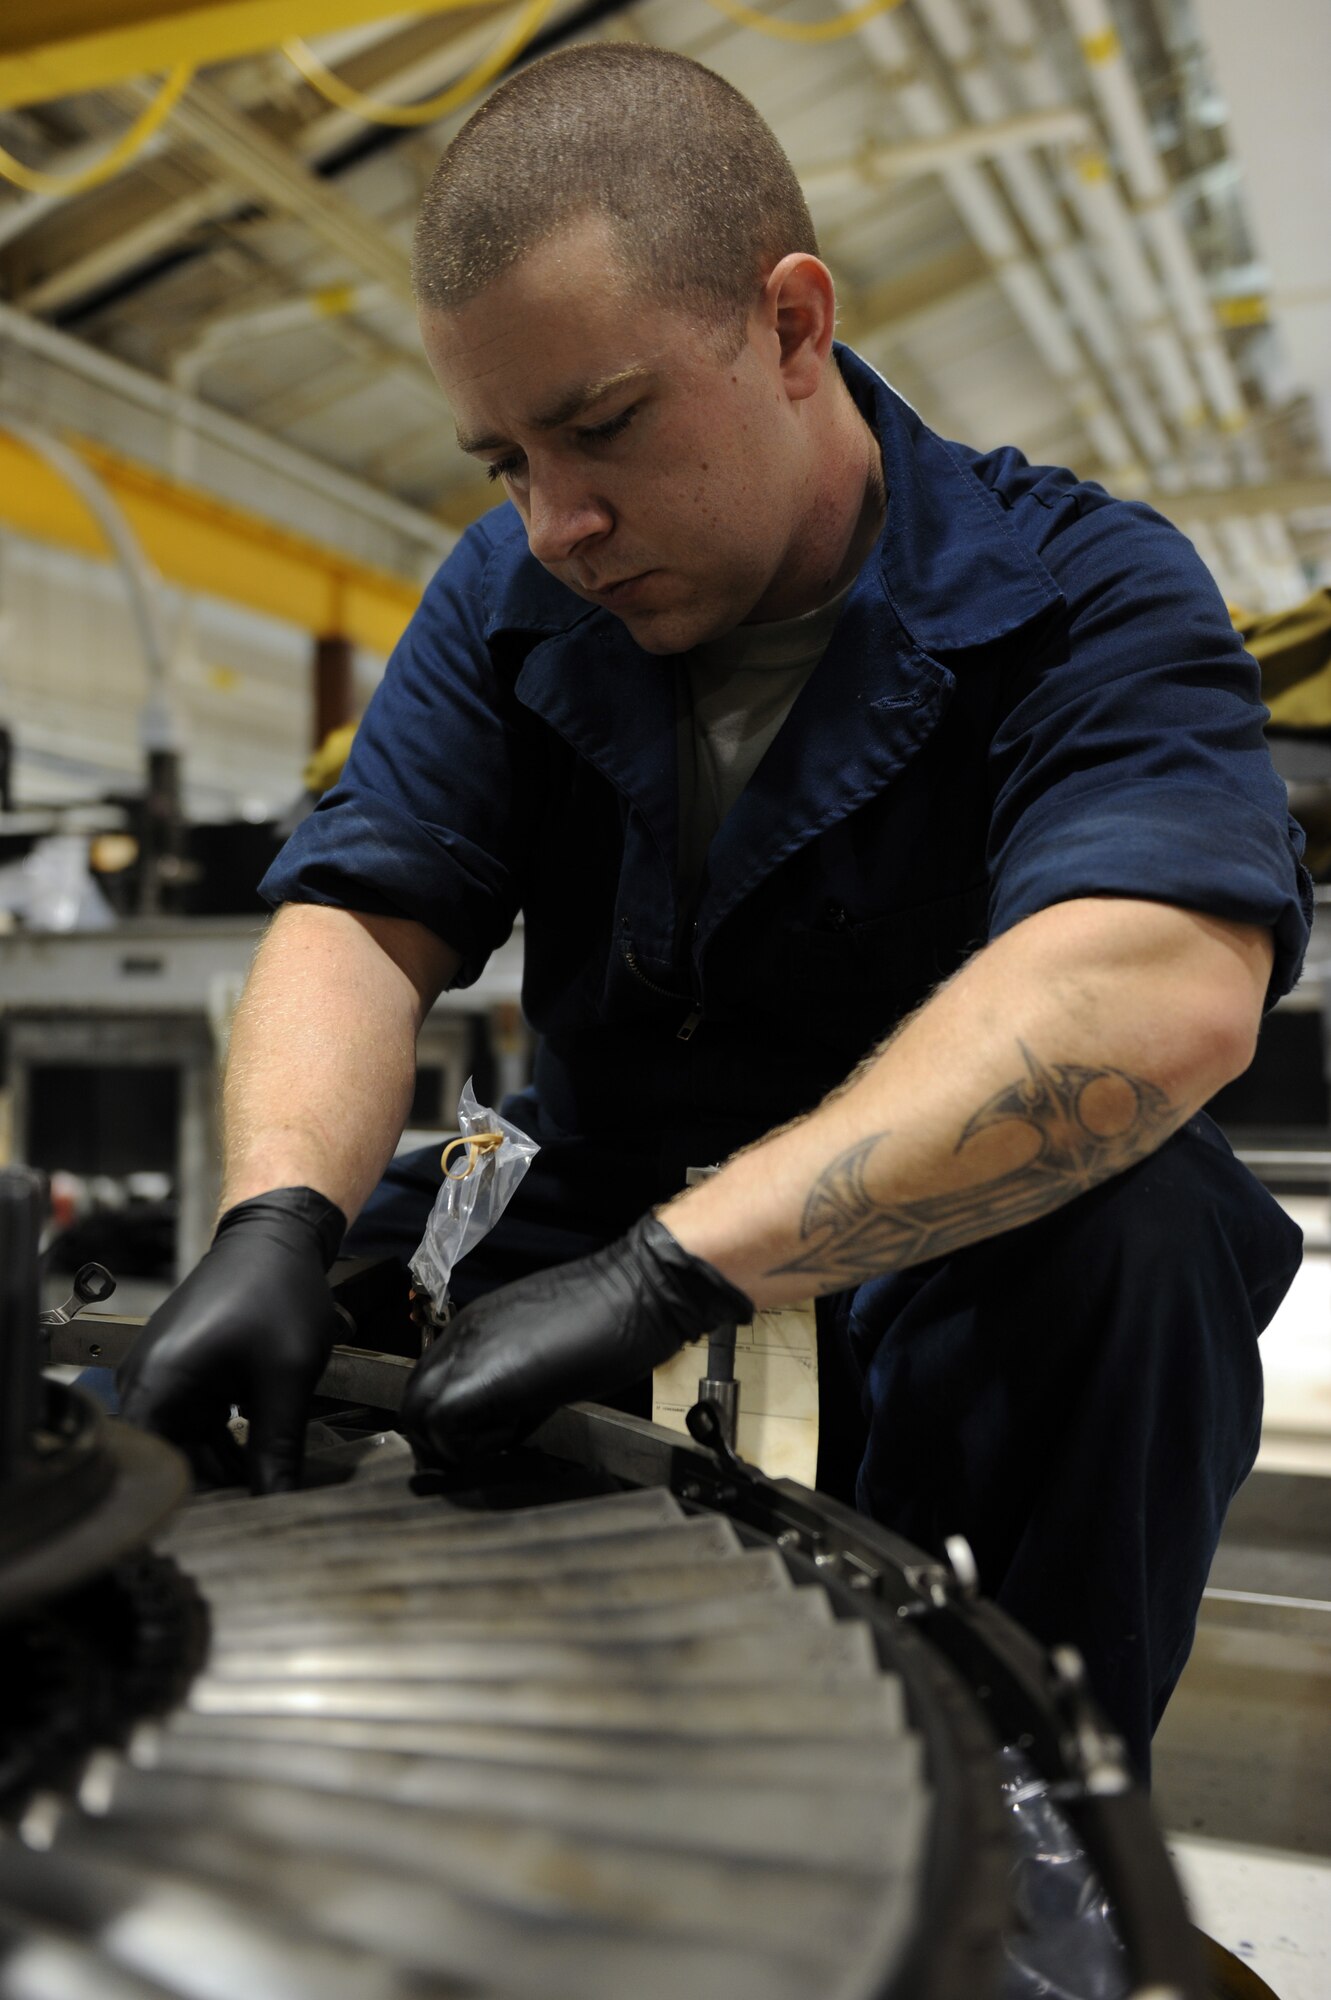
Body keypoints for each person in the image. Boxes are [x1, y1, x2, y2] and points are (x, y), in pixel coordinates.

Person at [118, 43, 1310, 1777]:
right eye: (504, 455)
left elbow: (1159, 990)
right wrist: (272, 1225)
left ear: (794, 326)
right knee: (174, 1402)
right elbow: (365, 906)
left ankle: (1025, 1839)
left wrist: (679, 1272)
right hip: (584, 1198)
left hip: (935, 1245)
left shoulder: (1084, 591)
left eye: (601, 426)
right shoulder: (510, 588)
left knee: (1140, 1235)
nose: (559, 520)